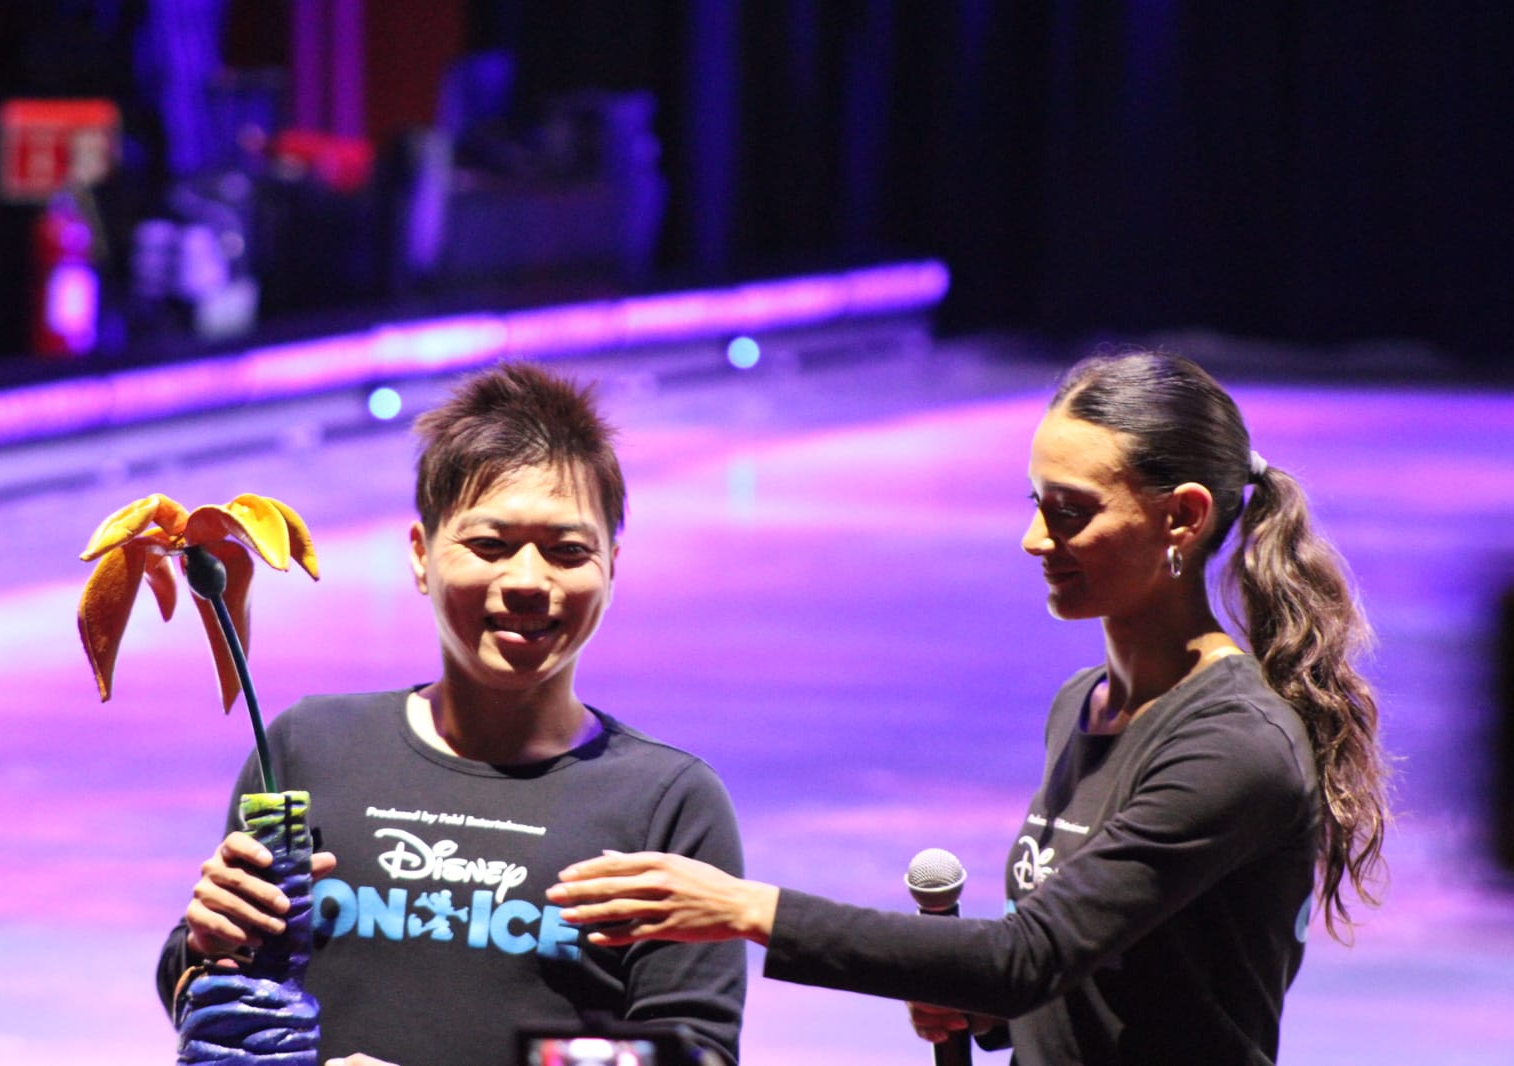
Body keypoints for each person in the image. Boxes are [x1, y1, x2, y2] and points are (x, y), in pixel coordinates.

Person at [547, 349, 1390, 1064]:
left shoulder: (1232, 745)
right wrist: (989, 1011)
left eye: (1071, 513)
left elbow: (1028, 955)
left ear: (1182, 518)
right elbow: (1086, 963)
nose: (1035, 540)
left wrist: (746, 909)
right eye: (1036, 505)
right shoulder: (1083, 706)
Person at [157, 362, 746, 1066]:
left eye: (567, 551)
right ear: (420, 556)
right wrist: (206, 945)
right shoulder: (308, 747)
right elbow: (216, 1000)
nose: (527, 581)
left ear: (611, 567)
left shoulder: (666, 805)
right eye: (489, 545)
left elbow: (694, 1056)